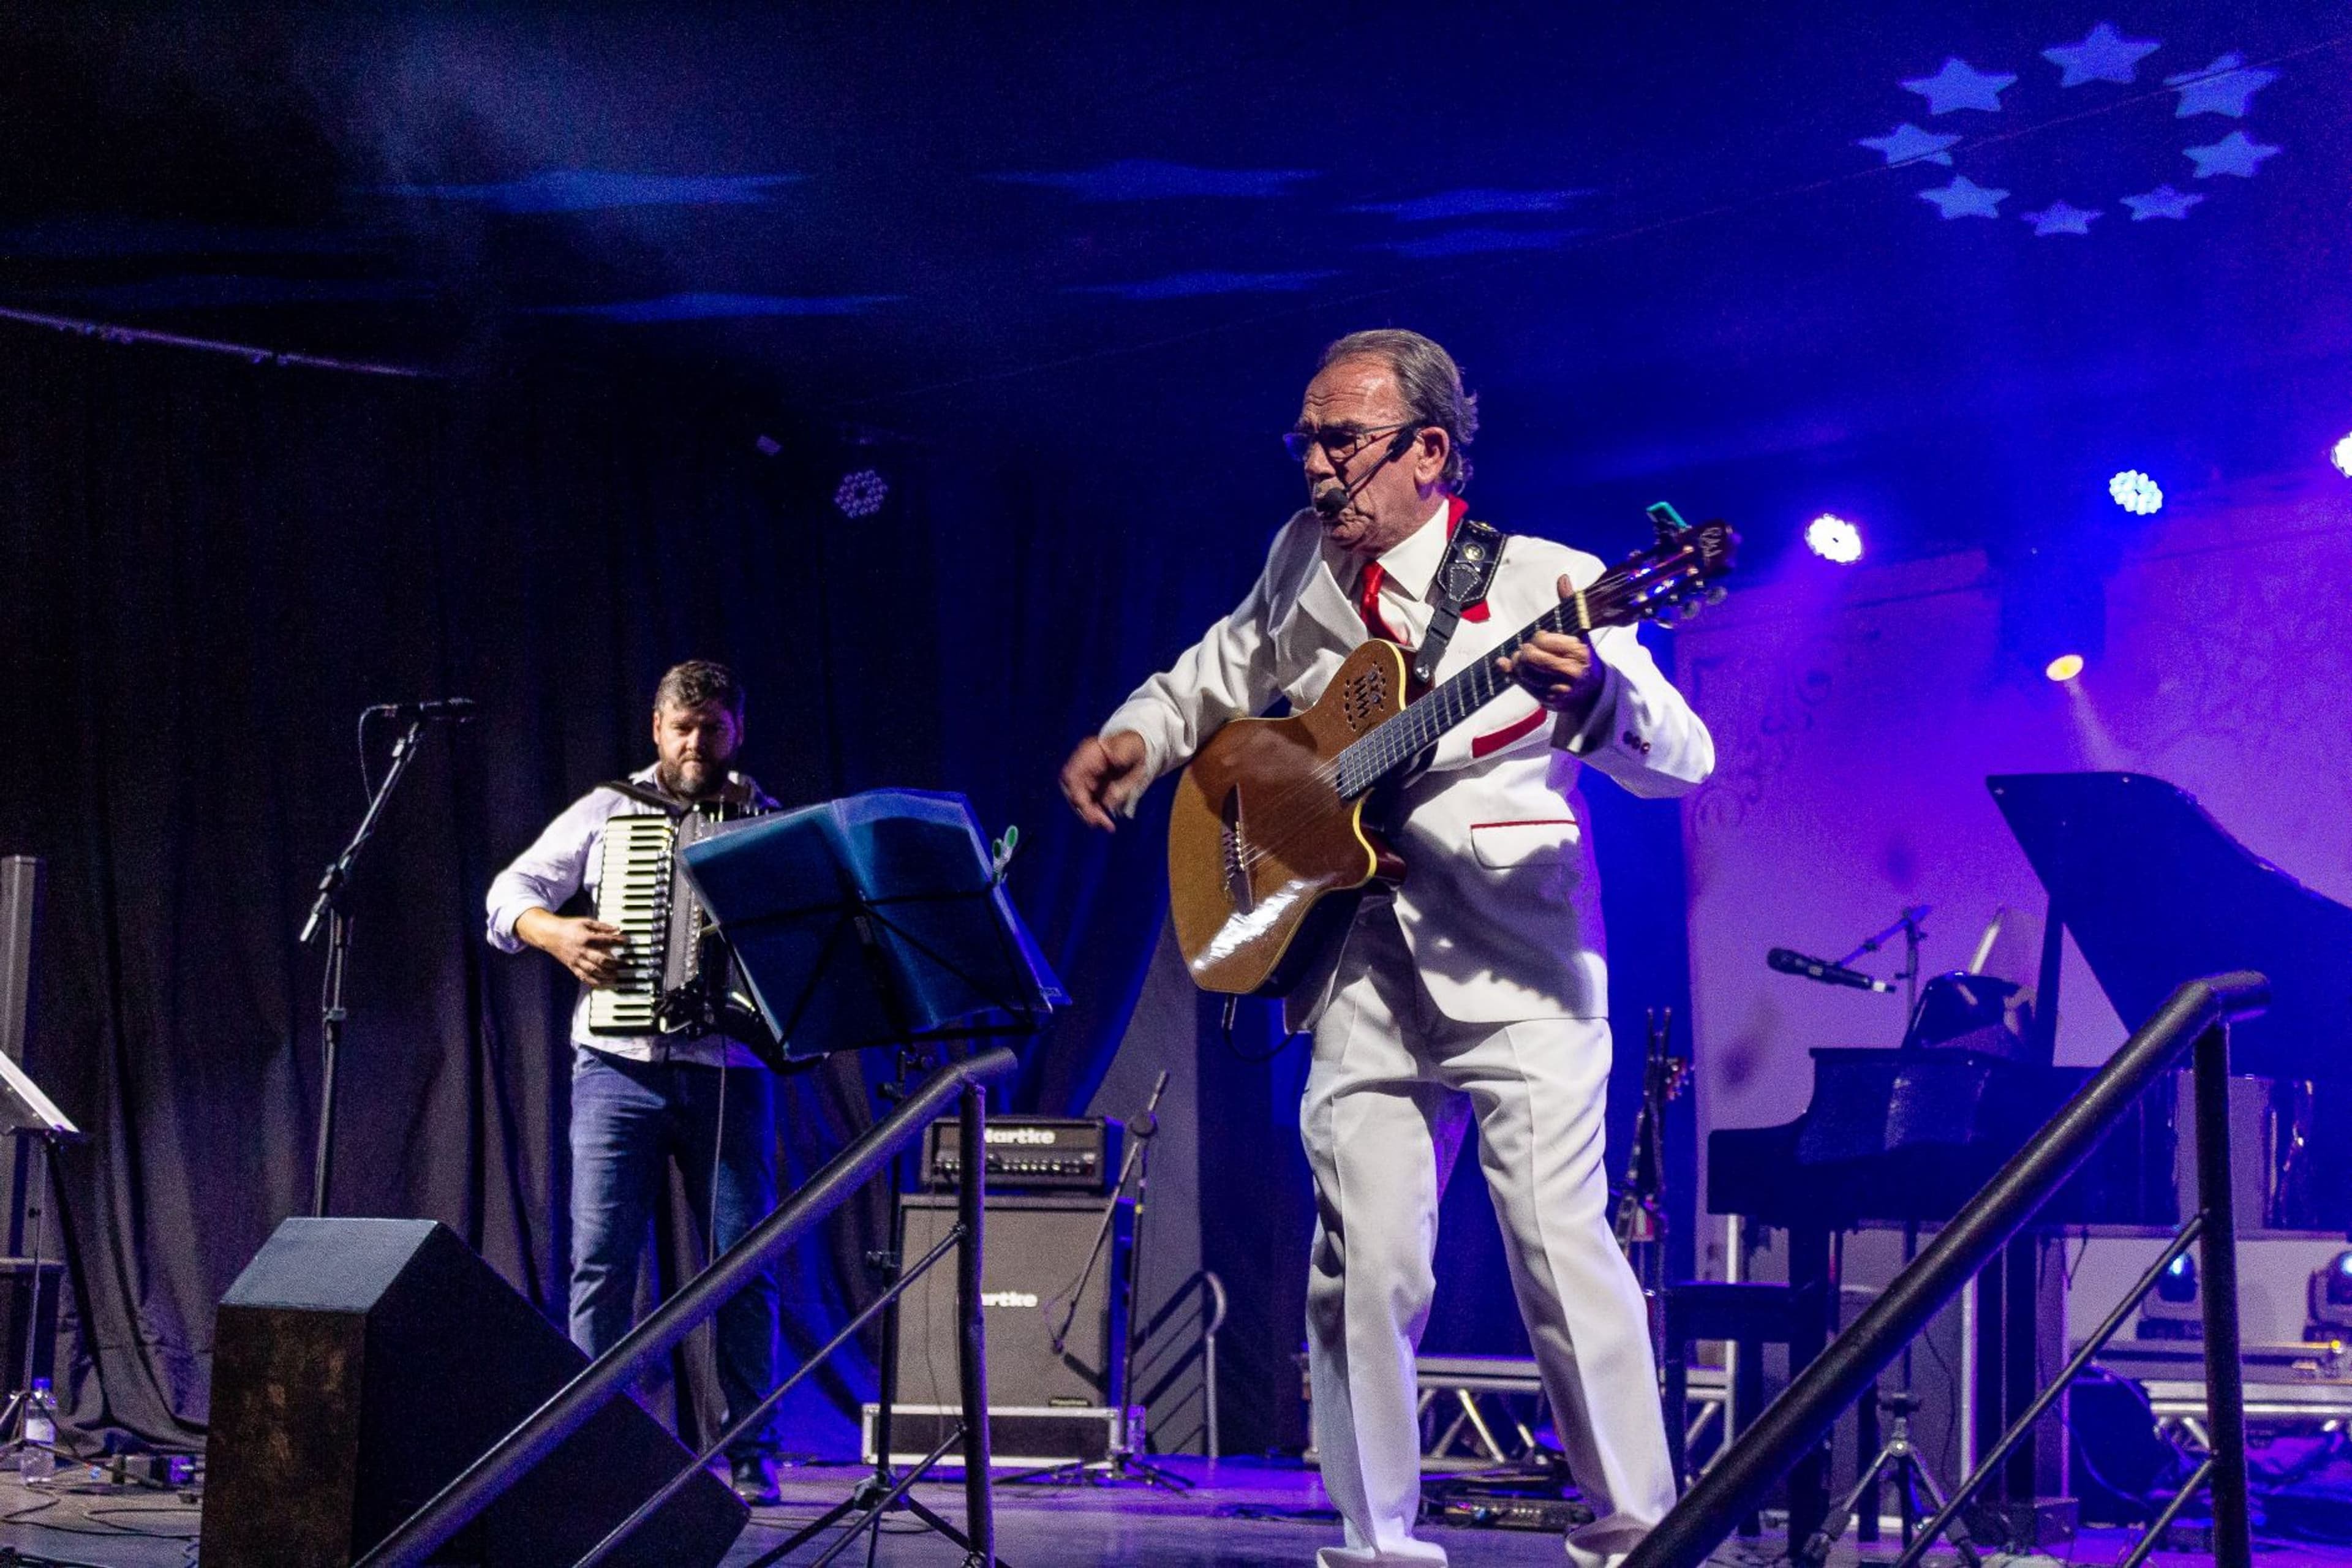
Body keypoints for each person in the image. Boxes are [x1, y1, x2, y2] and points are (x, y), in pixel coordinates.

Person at [1059, 331, 1714, 1568]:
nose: (1315, 464)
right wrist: (1139, 737)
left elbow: (1685, 758)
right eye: (1304, 438)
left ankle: (1640, 1529)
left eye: (1340, 440)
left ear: (1429, 450)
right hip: (1354, 953)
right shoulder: (1302, 558)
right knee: (1359, 1260)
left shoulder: (1552, 579)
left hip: (1521, 959)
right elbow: (1221, 666)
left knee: (1558, 1248)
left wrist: (1601, 707)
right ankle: (1375, 1541)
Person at [485, 658, 786, 1506]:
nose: (696, 744)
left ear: (736, 732)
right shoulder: (609, 811)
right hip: (617, 1069)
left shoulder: (766, 821)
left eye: (713, 729)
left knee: (745, 1266)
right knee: (600, 1264)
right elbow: (507, 893)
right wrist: (555, 934)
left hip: (730, 1073)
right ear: (657, 728)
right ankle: (588, 1444)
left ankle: (751, 1449)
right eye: (682, 728)